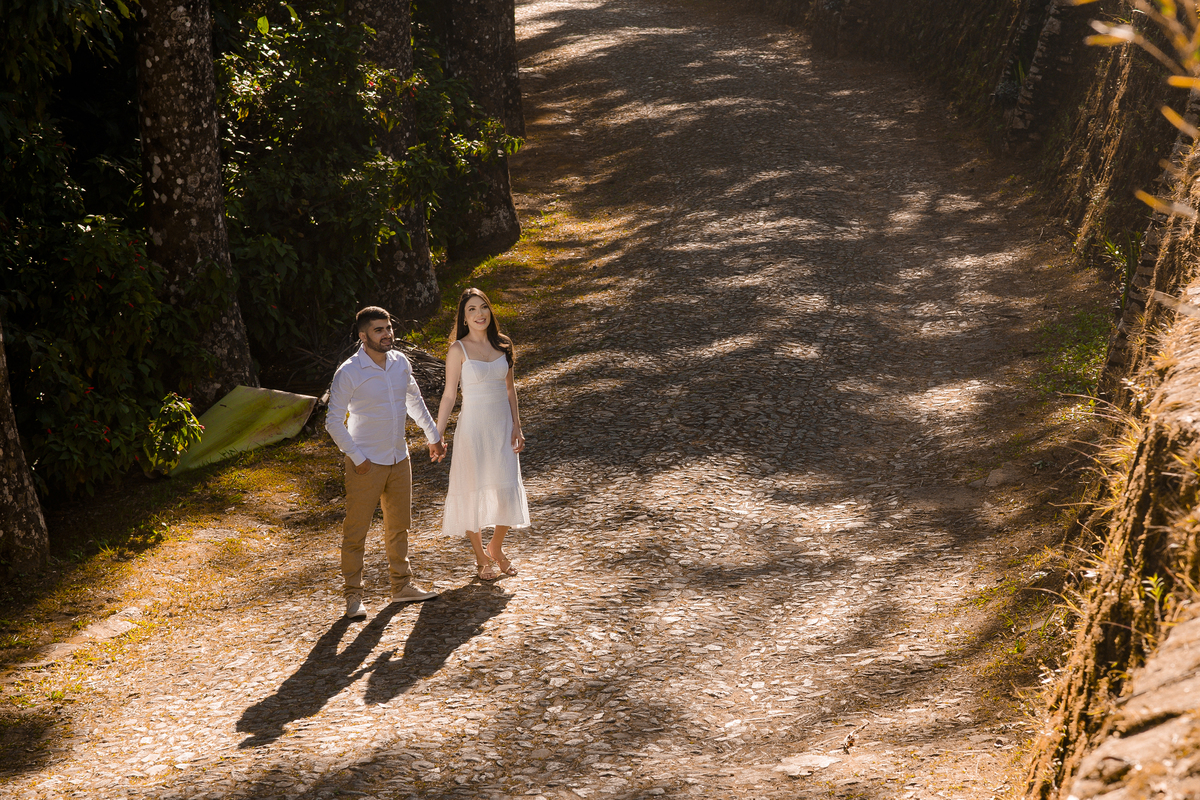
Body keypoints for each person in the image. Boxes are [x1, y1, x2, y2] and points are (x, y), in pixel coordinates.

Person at [326, 307, 447, 619]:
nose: (387, 334)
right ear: (362, 336)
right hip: (365, 463)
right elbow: (333, 422)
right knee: (356, 532)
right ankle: (353, 596)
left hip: (399, 457)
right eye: (378, 330)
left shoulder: (400, 362)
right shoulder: (349, 372)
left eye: (389, 328)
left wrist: (433, 436)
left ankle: (401, 586)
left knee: (399, 528)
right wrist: (358, 458)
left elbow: (414, 400)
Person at [436, 288, 530, 581]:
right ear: (464, 318)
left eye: (483, 307)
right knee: (472, 491)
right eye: (472, 310)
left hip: (502, 428)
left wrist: (517, 425)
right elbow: (449, 395)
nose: (480, 314)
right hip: (473, 430)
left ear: (490, 311)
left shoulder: (503, 344)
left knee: (505, 488)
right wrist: (437, 434)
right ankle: (480, 557)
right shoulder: (458, 350)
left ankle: (496, 547)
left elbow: (510, 389)